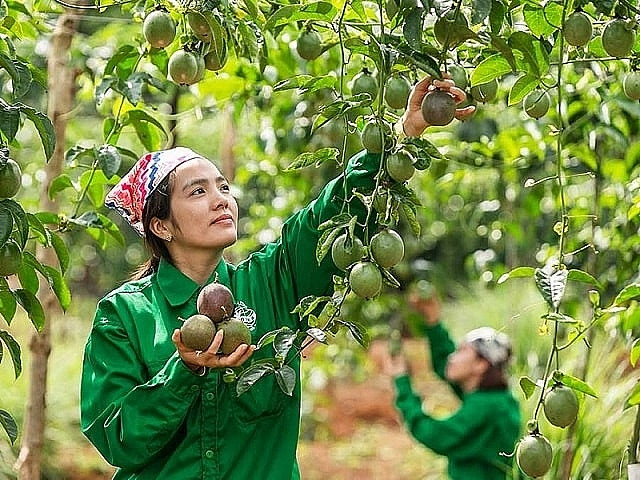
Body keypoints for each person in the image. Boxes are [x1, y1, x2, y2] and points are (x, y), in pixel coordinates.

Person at [79, 76, 474, 480]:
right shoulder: (125, 313)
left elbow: (327, 214)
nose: (221, 200)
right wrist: (184, 372)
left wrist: (402, 133)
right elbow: (117, 439)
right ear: (161, 226)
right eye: (197, 192)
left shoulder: (270, 283)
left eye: (223, 187)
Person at [383, 292, 521, 479]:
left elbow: (436, 435)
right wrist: (433, 322)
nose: (452, 357)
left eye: (462, 351)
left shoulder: (487, 406)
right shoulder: (495, 398)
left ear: (481, 364)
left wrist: (402, 383)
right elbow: (445, 365)